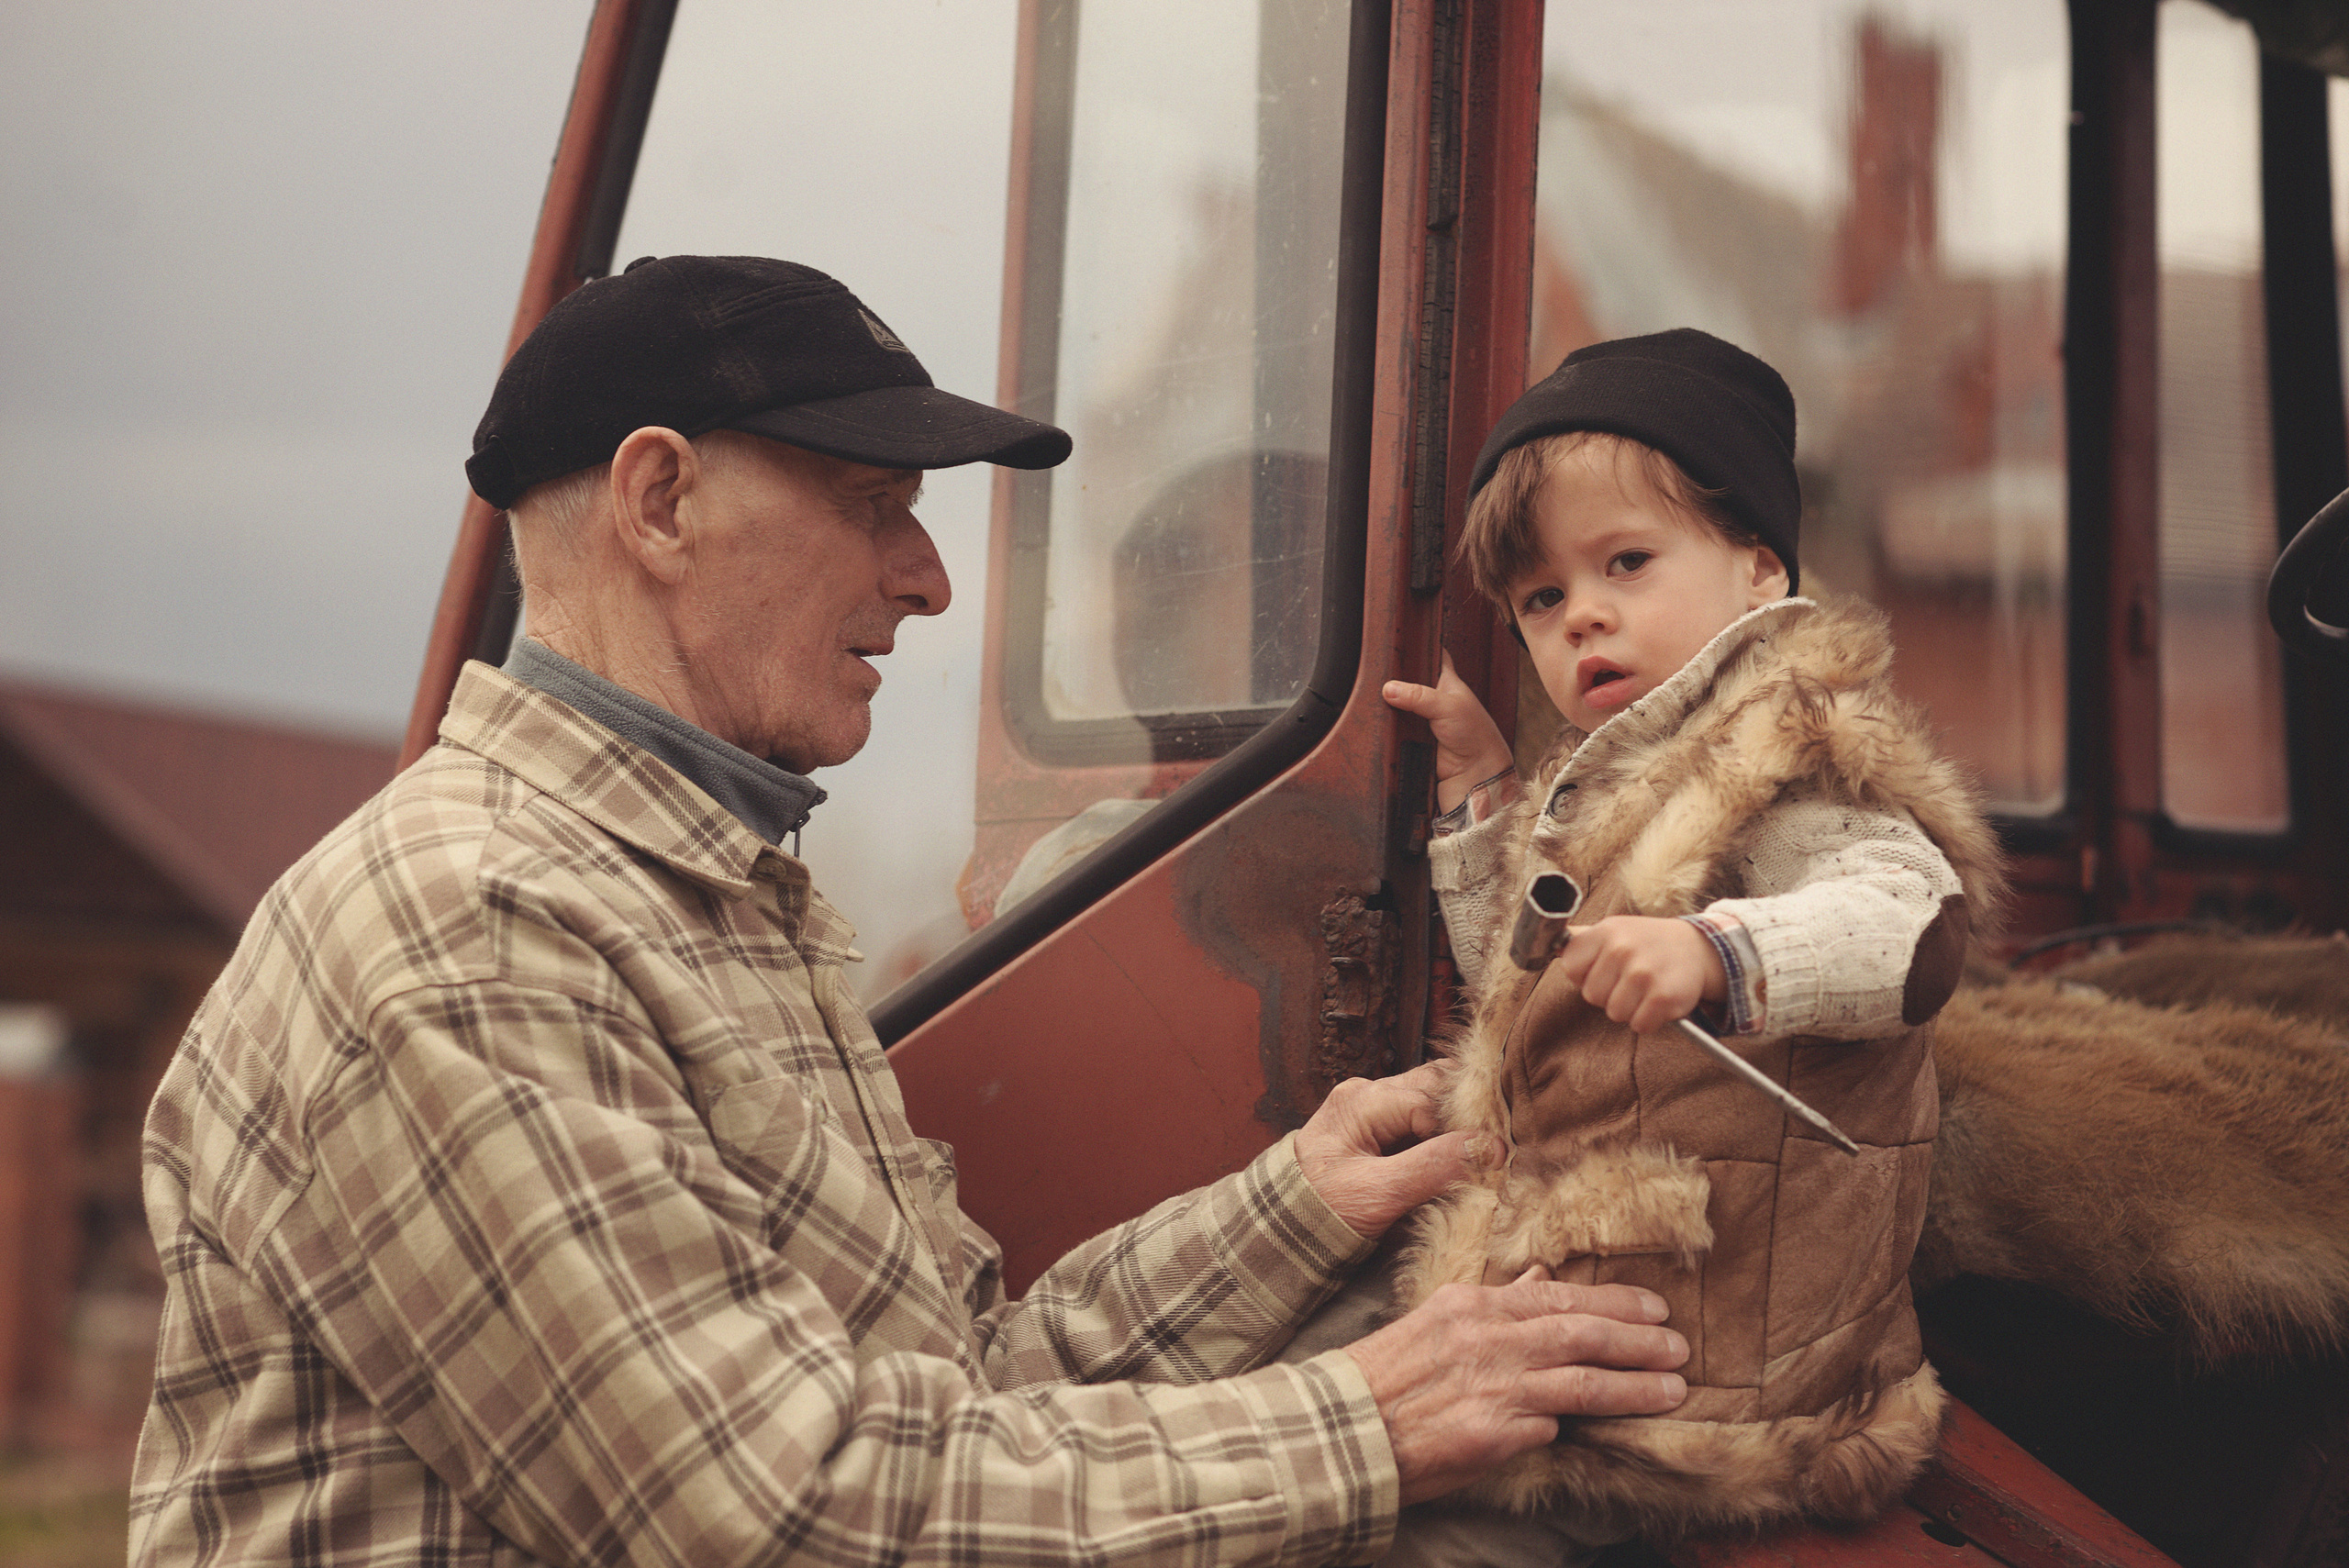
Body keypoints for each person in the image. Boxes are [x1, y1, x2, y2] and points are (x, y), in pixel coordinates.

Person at [128, 254, 1690, 1568]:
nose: (931, 577)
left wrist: (1294, 1207)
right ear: (658, 499)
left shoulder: (719, 902)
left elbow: (968, 1385)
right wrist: (1373, 1420)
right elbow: (778, 1511)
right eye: (875, 500)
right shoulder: (463, 932)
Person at [1376, 329, 2006, 1551]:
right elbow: (1525, 1000)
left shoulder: (1789, 751)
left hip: (1726, 1373)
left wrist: (1724, 955)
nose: (1584, 616)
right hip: (1628, 1319)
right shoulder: (1619, 786)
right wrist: (1480, 800)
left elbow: (1908, 924)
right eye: (1543, 599)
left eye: (1626, 561)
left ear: (1759, 573)